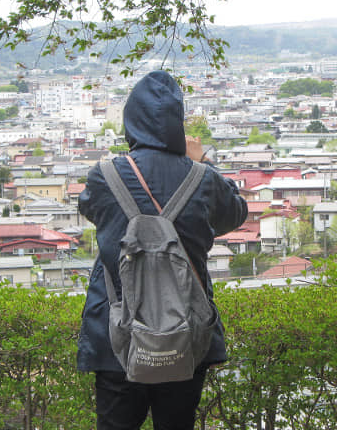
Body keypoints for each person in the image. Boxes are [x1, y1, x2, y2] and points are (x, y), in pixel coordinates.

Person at [78, 70, 247, 430]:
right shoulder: (202, 178)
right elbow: (235, 213)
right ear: (178, 124)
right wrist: (204, 162)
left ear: (130, 121)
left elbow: (90, 210)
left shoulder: (104, 176)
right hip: (185, 330)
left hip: (115, 332)